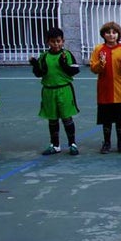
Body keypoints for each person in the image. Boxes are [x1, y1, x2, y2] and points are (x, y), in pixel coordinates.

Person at [29, 27, 80, 155]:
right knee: (52, 119)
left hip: (64, 90)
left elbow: (75, 70)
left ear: (63, 41)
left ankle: (72, 144)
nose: (56, 44)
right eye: (53, 41)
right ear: (48, 42)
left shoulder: (66, 55)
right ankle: (55, 144)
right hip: (49, 90)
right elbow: (39, 73)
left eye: (58, 41)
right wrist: (35, 64)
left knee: (67, 118)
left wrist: (64, 65)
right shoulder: (44, 56)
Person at [90, 21, 121, 154]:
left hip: (120, 89)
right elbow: (93, 68)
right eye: (108, 32)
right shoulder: (98, 49)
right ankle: (107, 142)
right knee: (106, 119)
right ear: (103, 34)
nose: (111, 35)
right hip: (105, 89)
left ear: (118, 34)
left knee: (120, 119)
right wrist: (100, 64)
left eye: (114, 32)